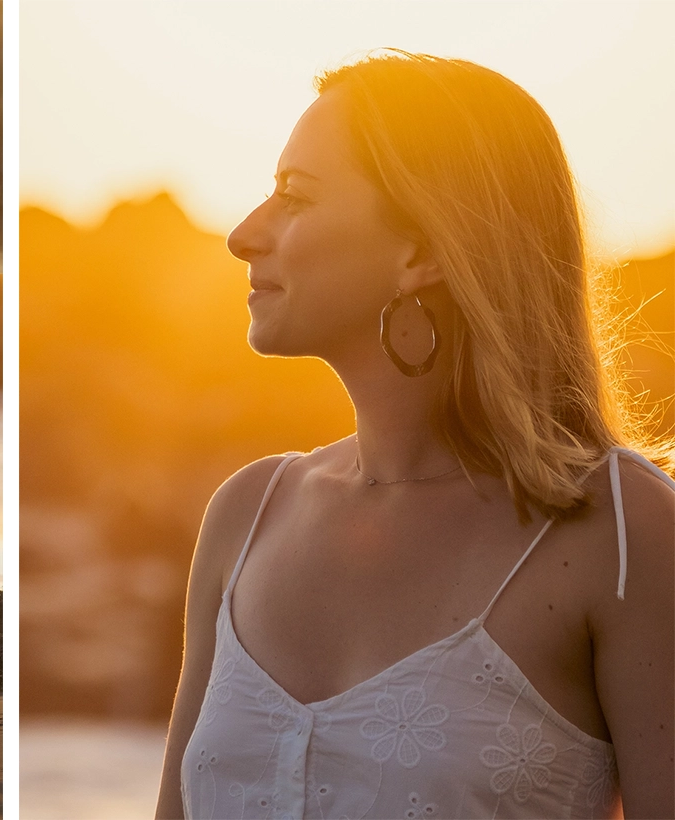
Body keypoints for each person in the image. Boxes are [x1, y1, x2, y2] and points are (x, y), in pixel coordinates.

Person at [157, 52, 672, 819]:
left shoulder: (622, 529)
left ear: (422, 251)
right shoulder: (248, 514)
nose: (242, 234)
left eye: (293, 198)